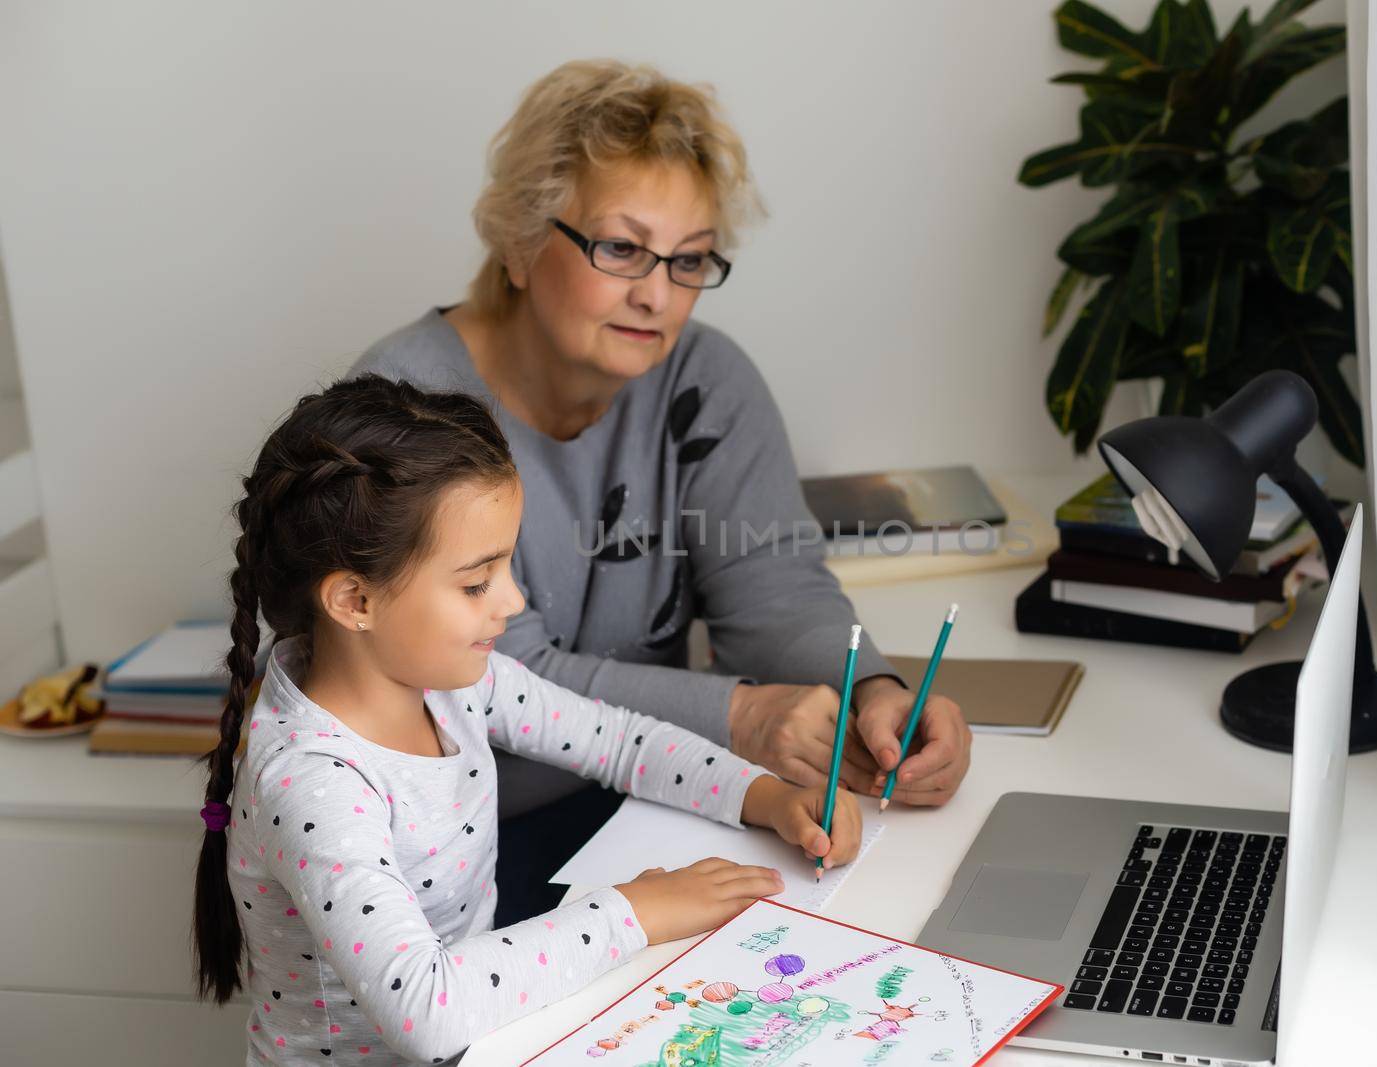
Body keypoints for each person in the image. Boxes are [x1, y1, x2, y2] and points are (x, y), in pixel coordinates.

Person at [349, 60, 970, 922]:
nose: (657, 294)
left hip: (658, 797)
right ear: (524, 242)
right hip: (458, 853)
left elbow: (775, 586)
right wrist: (741, 716)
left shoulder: (706, 379)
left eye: (688, 260)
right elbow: (501, 678)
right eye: (621, 248)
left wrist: (874, 694)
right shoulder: (405, 407)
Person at [191, 375, 862, 1065]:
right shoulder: (314, 785)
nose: (511, 600)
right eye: (477, 581)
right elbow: (427, 1010)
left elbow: (618, 740)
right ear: (355, 599)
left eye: (508, 565)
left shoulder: (448, 681)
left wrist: (764, 795)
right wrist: (637, 912)